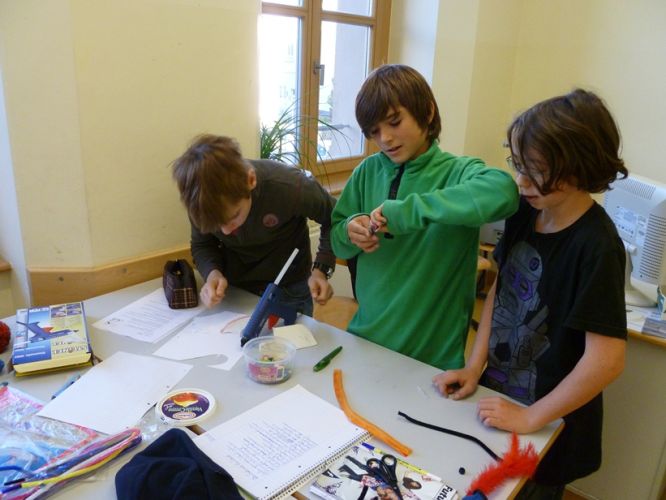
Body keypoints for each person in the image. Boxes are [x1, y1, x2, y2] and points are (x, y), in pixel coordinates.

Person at [432, 89, 628, 498]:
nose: (521, 182)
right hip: (501, 399)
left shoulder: (598, 245)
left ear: (578, 166)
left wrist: (532, 417)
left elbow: (607, 361)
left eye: (536, 170)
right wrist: (474, 366)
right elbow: (501, 292)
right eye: (518, 165)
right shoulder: (526, 211)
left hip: (550, 424)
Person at [330, 64, 519, 370]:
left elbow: (505, 192)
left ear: (427, 112)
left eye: (394, 122)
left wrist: (410, 211)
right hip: (366, 340)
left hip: (432, 359)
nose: (385, 138)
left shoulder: (457, 172)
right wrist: (350, 231)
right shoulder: (366, 172)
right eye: (374, 131)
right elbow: (337, 241)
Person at [171, 134, 336, 316]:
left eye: (234, 216)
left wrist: (321, 270)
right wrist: (212, 274)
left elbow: (334, 218)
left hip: (290, 286)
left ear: (251, 181)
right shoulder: (201, 202)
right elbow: (202, 244)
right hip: (236, 289)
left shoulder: (290, 187)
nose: (226, 231)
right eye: (216, 226)